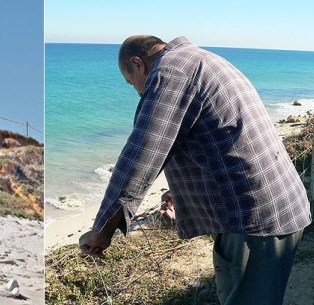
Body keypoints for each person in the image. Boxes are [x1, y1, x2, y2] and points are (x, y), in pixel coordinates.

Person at [79, 35, 312, 305]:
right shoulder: (199, 60)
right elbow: (220, 137)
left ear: (137, 63)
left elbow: (142, 155)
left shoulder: (170, 71)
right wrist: (180, 191)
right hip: (271, 206)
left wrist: (102, 230)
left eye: (132, 84)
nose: (139, 92)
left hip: (255, 219)